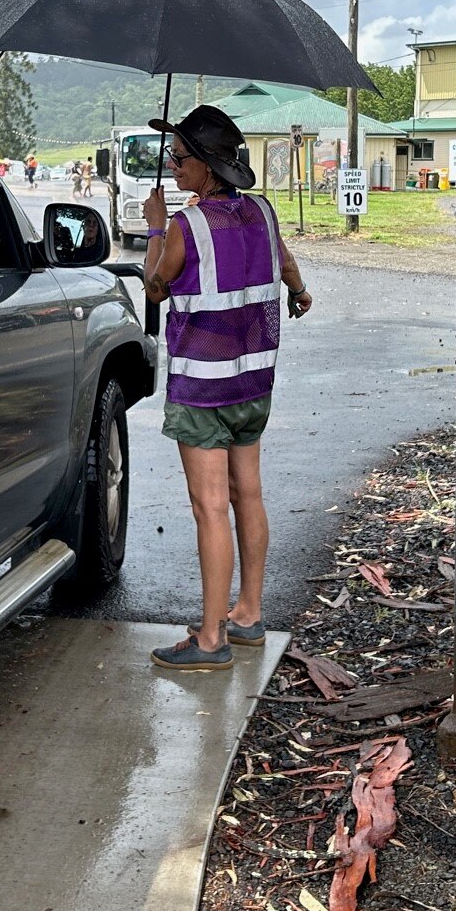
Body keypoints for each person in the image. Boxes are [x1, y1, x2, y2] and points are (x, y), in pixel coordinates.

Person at [141, 106, 313, 670]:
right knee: (249, 495)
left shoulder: (185, 227)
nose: (173, 166)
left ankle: (210, 639)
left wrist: (154, 226)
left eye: (180, 158)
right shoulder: (262, 212)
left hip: (201, 389)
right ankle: (248, 612)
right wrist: (299, 292)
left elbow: (156, 287)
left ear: (209, 167)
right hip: (252, 380)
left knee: (209, 506)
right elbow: (285, 264)